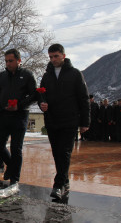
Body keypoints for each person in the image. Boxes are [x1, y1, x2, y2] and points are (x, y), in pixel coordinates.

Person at [38, 43, 90, 200]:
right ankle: (65, 181)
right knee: (56, 152)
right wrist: (42, 104)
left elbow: (83, 98)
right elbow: (41, 94)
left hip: (69, 120)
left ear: (63, 56)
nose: (53, 59)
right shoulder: (47, 76)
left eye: (56, 56)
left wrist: (85, 122)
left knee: (64, 152)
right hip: (52, 120)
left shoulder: (75, 74)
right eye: (50, 57)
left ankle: (58, 184)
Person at [0, 48, 37, 186]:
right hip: (3, 114)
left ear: (19, 60)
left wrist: (20, 105)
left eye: (10, 61)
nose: (8, 63)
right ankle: (11, 165)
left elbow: (34, 95)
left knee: (16, 148)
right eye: (6, 61)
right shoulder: (2, 76)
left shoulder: (28, 75)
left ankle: (15, 178)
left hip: (20, 115)